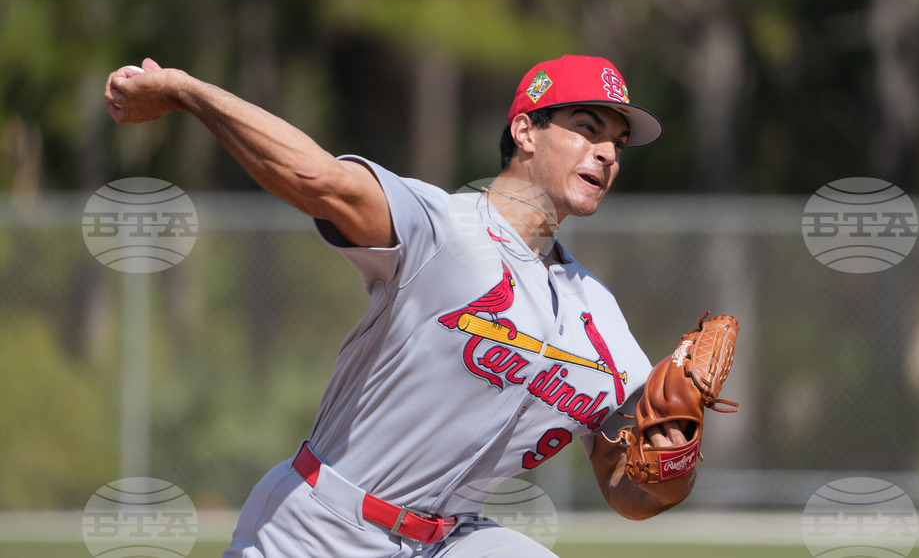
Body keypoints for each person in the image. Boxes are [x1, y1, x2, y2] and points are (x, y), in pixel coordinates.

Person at [105, 54, 694, 557]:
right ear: (525, 131)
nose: (606, 153)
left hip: (450, 538)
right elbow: (317, 179)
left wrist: (673, 462)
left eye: (615, 143)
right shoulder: (445, 229)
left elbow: (625, 488)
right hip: (321, 527)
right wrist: (185, 92)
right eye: (586, 128)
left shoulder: (598, 314)